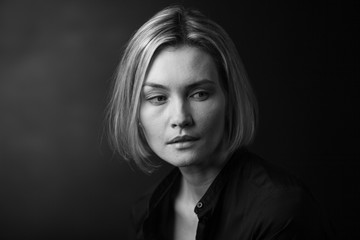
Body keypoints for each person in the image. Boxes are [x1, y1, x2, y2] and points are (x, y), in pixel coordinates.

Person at [107, 5, 335, 240]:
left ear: (230, 98)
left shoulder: (280, 213)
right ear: (135, 111)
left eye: (199, 94)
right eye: (158, 98)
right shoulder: (145, 213)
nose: (180, 118)